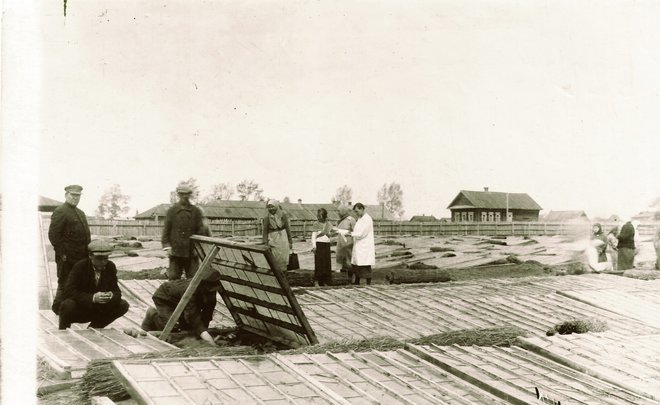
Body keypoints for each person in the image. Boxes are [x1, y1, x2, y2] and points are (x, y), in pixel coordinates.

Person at [58, 240, 129, 330]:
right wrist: (92, 298)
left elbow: (117, 291)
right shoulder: (80, 267)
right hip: (80, 308)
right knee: (67, 305)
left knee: (123, 305)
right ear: (90, 256)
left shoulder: (110, 267)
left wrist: (111, 296)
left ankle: (94, 327)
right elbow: (69, 292)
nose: (103, 262)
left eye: (106, 258)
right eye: (99, 258)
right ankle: (63, 329)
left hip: (98, 309)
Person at [141, 270, 221, 344]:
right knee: (172, 327)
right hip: (165, 297)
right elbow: (191, 314)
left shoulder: (211, 290)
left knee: (187, 329)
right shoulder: (191, 289)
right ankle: (152, 314)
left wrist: (203, 330)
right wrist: (203, 333)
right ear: (202, 284)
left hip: (181, 302)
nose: (211, 292)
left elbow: (208, 311)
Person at [49, 184, 91, 314]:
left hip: (81, 256)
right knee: (64, 282)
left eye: (78, 196)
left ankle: (72, 308)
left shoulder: (80, 213)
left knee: (77, 282)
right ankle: (57, 308)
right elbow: (54, 235)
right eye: (73, 195)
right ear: (66, 195)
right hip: (67, 257)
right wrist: (62, 254)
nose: (75, 198)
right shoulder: (61, 211)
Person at [162, 185, 205, 280]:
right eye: (182, 194)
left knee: (193, 279)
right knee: (173, 278)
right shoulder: (172, 211)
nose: (184, 197)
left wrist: (198, 248)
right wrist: (167, 247)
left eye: (187, 194)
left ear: (190, 195)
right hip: (175, 251)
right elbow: (166, 231)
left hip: (191, 251)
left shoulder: (196, 211)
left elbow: (201, 231)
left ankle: (192, 295)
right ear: (178, 195)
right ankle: (174, 295)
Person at [348, 202, 375, 285]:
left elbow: (361, 234)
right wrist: (352, 233)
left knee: (365, 264)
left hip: (365, 246)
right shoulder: (360, 219)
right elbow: (357, 231)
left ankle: (368, 283)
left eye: (357, 211)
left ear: (362, 209)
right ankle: (357, 281)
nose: (356, 213)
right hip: (359, 245)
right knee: (357, 264)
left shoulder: (367, 219)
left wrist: (351, 234)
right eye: (355, 212)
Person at [262, 199, 293, 272]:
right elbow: (265, 232)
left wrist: (290, 242)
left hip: (283, 239)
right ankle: (276, 274)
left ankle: (284, 274)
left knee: (284, 257)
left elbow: (287, 228)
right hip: (273, 239)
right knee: (275, 258)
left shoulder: (283, 215)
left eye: (272, 207)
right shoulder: (267, 218)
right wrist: (265, 243)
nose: (271, 209)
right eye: (269, 207)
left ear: (276, 206)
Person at [311, 208, 333, 286]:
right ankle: (317, 280)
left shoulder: (329, 224)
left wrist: (329, 234)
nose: (319, 217)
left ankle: (325, 281)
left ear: (324, 216)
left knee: (326, 263)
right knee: (319, 263)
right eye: (318, 216)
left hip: (326, 245)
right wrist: (314, 245)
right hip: (319, 245)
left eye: (320, 216)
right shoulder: (316, 224)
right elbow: (314, 236)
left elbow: (331, 235)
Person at [334, 205, 356, 279]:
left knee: (349, 261)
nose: (338, 213)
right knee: (340, 260)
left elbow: (355, 232)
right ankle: (343, 279)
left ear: (344, 211)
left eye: (339, 211)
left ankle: (350, 278)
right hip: (340, 243)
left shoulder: (351, 220)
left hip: (348, 243)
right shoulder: (339, 220)